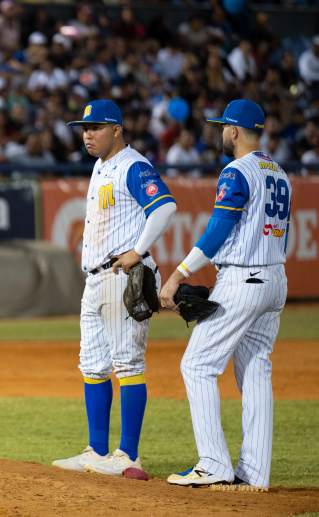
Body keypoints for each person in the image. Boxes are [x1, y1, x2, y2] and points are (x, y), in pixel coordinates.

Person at [161, 100, 290, 489]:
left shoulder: (237, 170)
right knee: (255, 371)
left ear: (234, 131)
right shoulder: (279, 172)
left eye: (222, 127)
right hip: (274, 280)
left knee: (197, 365)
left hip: (243, 280)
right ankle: (254, 474)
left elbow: (218, 230)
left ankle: (214, 464)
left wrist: (177, 275)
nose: (219, 133)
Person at [52, 100, 177, 476]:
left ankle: (128, 456)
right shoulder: (100, 166)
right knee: (93, 365)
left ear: (117, 130)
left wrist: (138, 252)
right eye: (84, 128)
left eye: (97, 127)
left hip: (121, 276)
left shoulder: (132, 165)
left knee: (127, 363)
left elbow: (165, 207)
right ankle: (97, 451)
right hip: (95, 278)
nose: (88, 134)